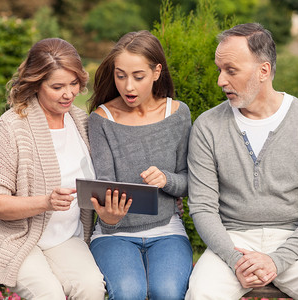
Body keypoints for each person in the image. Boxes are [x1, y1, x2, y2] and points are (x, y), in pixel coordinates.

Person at [185, 23, 298, 299]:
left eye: (231, 70)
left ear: (263, 71)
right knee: (202, 293)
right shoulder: (208, 126)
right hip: (232, 241)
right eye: (219, 70)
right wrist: (235, 259)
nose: (220, 81)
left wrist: (277, 259)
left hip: (297, 241)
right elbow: (202, 207)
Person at [0, 38, 106, 300]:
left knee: (91, 288)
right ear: (36, 84)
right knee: (49, 294)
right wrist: (46, 202)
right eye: (57, 87)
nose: (69, 94)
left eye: (74, 84)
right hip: (14, 240)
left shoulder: (81, 122)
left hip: (66, 239)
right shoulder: (11, 128)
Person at [87, 30, 193, 300]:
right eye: (120, 75)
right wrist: (109, 219)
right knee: (127, 292)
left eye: (138, 76)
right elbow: (104, 187)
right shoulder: (102, 119)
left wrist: (166, 179)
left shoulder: (178, 114)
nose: (128, 87)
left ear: (157, 71)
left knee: (167, 292)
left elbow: (188, 182)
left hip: (168, 231)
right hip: (113, 234)